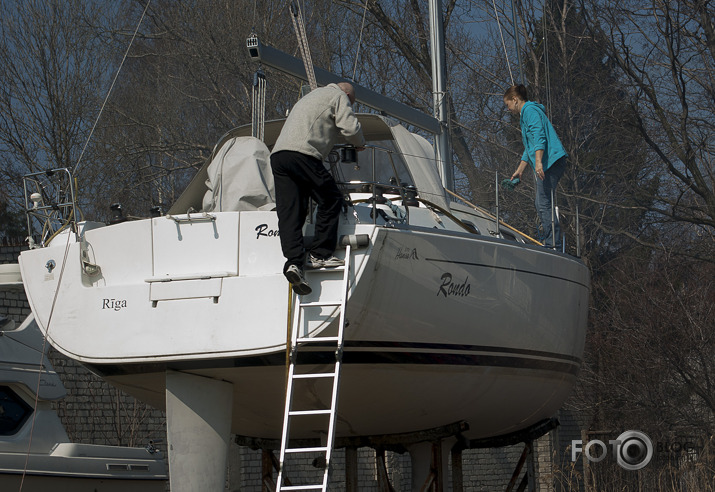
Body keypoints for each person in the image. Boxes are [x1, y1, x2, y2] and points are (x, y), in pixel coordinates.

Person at [271, 82, 365, 295]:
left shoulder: (308, 98)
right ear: (348, 94)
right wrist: (359, 143)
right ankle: (320, 254)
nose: (350, 105)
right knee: (331, 198)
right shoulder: (338, 96)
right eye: (352, 103)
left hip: (279, 156)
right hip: (303, 153)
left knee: (291, 212)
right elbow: (350, 127)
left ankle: (294, 263)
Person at [504, 84, 567, 248]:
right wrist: (520, 169)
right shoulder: (526, 114)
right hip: (550, 161)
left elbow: (539, 137)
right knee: (541, 202)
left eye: (507, 104)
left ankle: (553, 244)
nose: (508, 108)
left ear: (515, 99)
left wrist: (538, 161)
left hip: (551, 162)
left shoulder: (530, 111)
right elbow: (530, 146)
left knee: (543, 202)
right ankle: (552, 241)